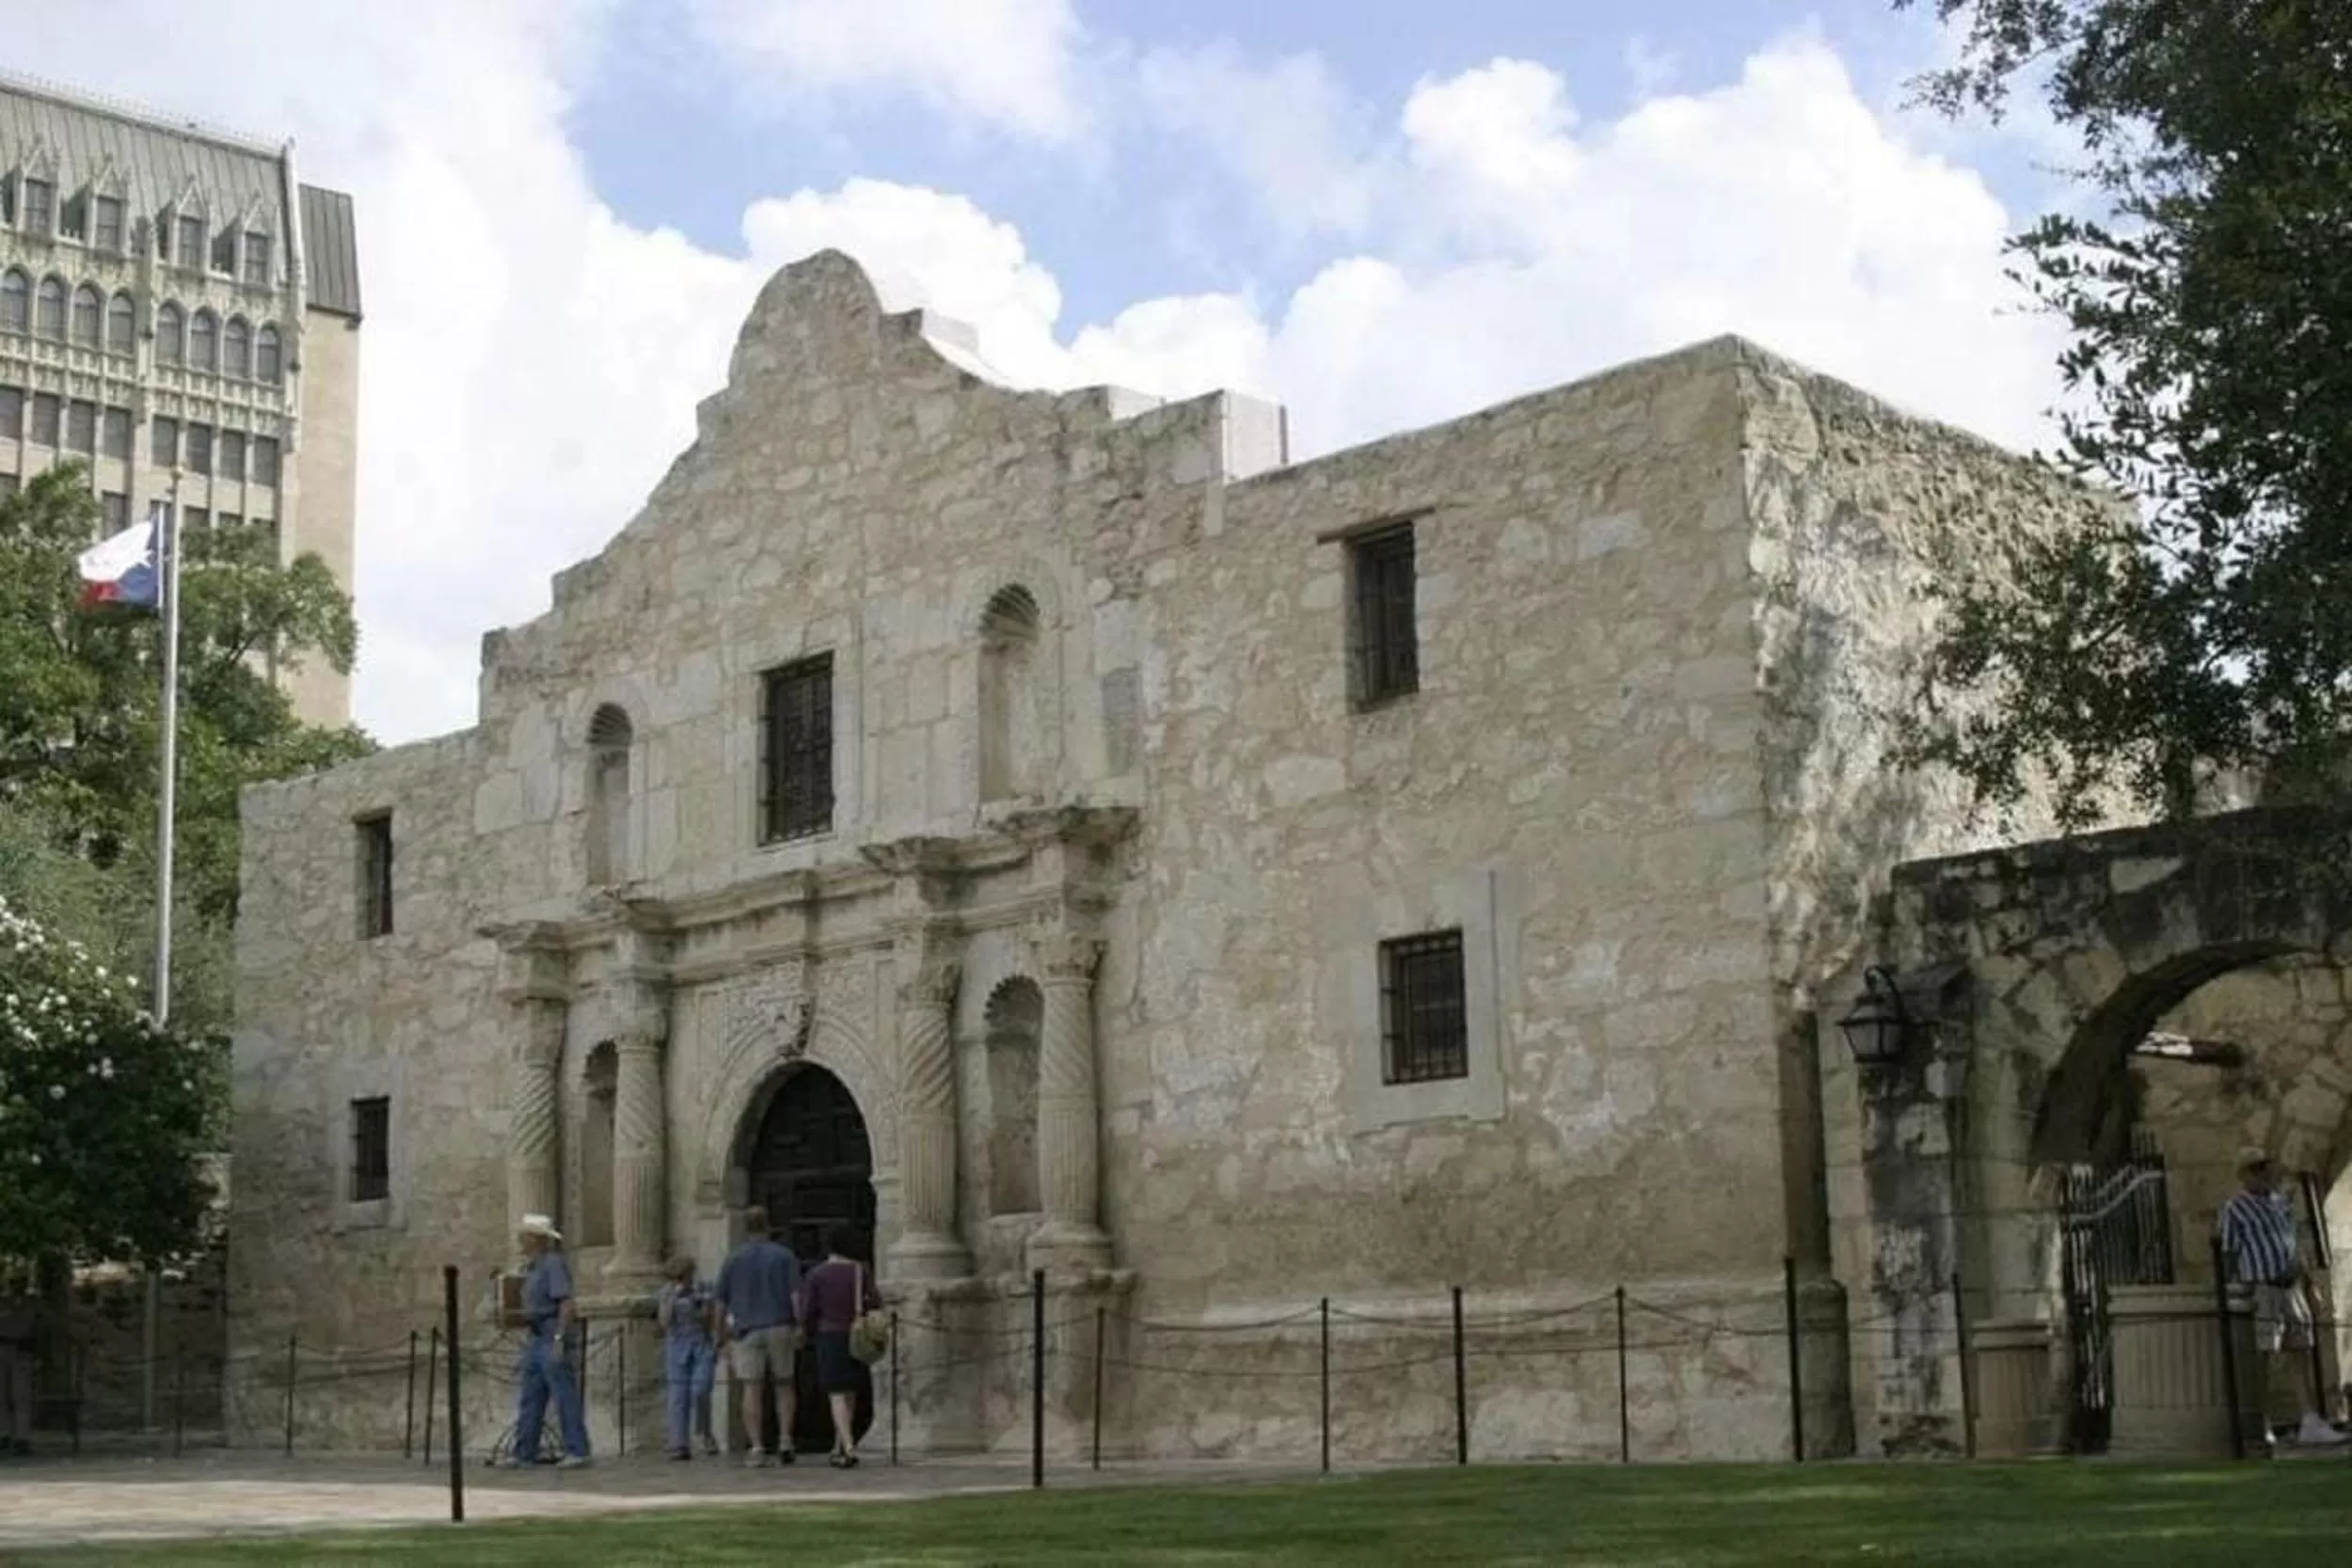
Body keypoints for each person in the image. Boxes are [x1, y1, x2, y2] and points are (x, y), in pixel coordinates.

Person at [2216, 1148, 2345, 1449]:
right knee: (2263, 1356)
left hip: (2290, 1286)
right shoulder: (2234, 1209)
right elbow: (2228, 1252)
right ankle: (2261, 1421)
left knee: (2300, 1350)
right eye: (2257, 1169)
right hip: (2262, 1286)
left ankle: (2309, 1419)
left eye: (2266, 1168)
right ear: (2244, 1175)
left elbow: (2293, 1244)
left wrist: (2309, 1283)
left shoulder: (2280, 1204)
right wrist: (2234, 1287)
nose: (2264, 1174)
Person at [712, 1204, 802, 1466]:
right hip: (780, 1325)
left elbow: (720, 1303)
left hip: (746, 1331)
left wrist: (718, 1335)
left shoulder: (733, 1258)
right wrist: (800, 1324)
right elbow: (796, 1295)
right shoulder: (784, 1256)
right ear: (768, 1226)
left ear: (745, 1228)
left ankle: (757, 1446)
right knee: (784, 1384)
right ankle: (785, 1440)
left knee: (751, 1388)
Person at [508, 1212, 591, 1468]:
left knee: (563, 1393)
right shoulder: (530, 1268)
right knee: (531, 1395)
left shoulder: (553, 1264)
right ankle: (525, 1451)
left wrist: (559, 1337)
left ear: (535, 1239)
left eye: (524, 1236)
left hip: (551, 1330)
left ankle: (578, 1449)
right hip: (535, 1335)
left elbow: (566, 1302)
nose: (520, 1240)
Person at [796, 1225, 883, 1468]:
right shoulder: (859, 1271)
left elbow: (808, 1309)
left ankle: (848, 1445)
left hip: (829, 1334)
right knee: (850, 1392)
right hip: (856, 1335)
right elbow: (874, 1301)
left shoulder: (817, 1274)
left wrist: (802, 1330)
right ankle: (840, 1444)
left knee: (836, 1393)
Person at [657, 1254, 720, 1460]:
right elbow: (664, 1323)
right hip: (677, 1346)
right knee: (678, 1396)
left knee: (700, 1390)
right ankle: (679, 1443)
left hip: (701, 1344)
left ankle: (705, 1434)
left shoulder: (704, 1289)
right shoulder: (667, 1293)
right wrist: (673, 1300)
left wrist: (700, 1306)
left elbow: (709, 1317)